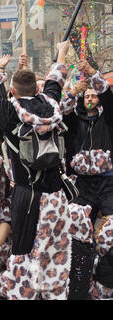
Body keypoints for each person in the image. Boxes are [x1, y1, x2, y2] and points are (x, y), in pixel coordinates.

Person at [0, 28, 73, 299]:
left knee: (24, 247)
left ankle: (23, 291)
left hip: (27, 193)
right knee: (53, 246)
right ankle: (53, 292)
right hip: (56, 193)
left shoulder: (9, 110)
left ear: (12, 90)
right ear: (36, 89)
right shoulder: (52, 104)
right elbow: (56, 80)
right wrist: (61, 51)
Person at [60, 60, 113, 226]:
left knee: (110, 226)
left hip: (108, 183)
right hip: (82, 184)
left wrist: (91, 72)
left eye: (94, 96)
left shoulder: (108, 119)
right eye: (87, 96)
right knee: (79, 226)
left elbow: (106, 95)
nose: (90, 99)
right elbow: (62, 110)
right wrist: (74, 91)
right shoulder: (75, 122)